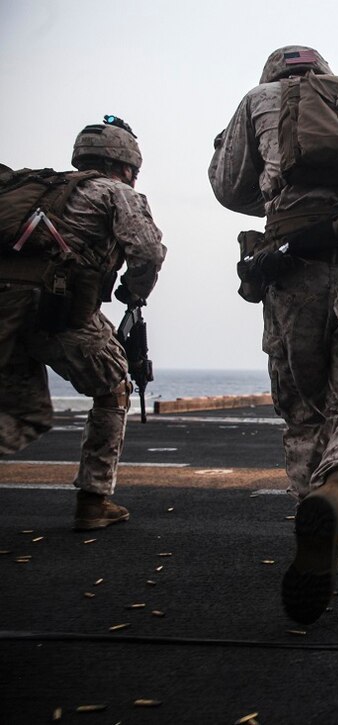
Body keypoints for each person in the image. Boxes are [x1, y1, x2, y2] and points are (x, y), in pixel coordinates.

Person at [209, 46, 338, 625]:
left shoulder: (259, 100)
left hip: (293, 264)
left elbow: (228, 188)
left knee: (305, 411)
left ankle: (324, 518)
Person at [0, 116, 166, 530]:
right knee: (113, 387)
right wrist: (134, 291)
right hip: (58, 311)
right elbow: (147, 251)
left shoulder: (44, 191)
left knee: (23, 413)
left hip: (6, 309)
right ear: (126, 164)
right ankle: (94, 501)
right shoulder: (116, 192)